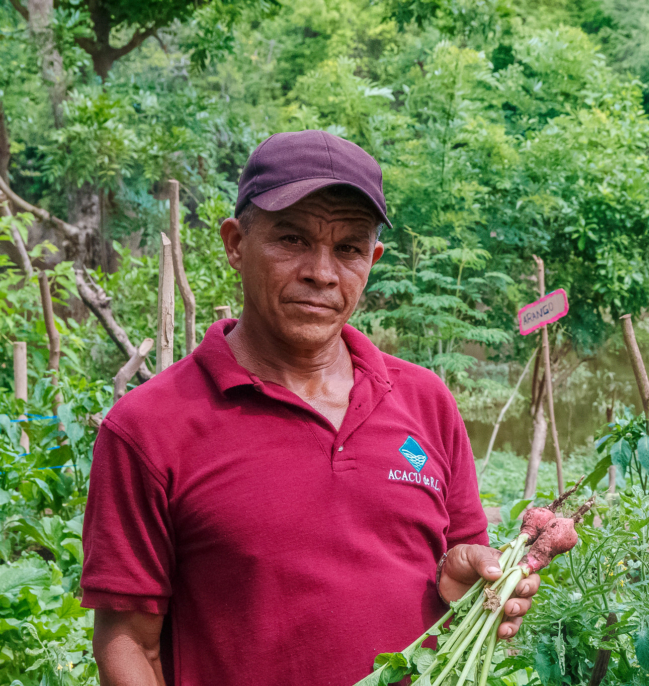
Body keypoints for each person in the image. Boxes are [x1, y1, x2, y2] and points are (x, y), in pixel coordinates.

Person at [81, 130, 540, 686]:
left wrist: (465, 579)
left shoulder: (426, 401)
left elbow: (458, 562)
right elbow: (128, 641)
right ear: (235, 243)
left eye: (348, 248)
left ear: (372, 260)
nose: (322, 272)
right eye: (292, 239)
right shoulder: (149, 427)